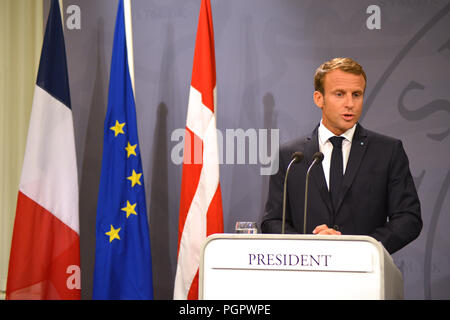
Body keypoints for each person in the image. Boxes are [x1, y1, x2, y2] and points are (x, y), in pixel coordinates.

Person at [261, 57, 422, 254]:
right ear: (319, 98)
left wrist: (361, 248)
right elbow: (273, 221)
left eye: (357, 94)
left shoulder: (388, 151)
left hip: (364, 274)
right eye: (339, 94)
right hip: (306, 274)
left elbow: (408, 218)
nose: (350, 103)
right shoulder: (291, 156)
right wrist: (309, 246)